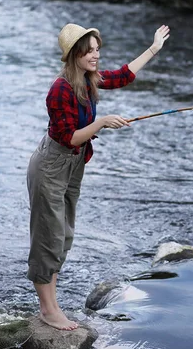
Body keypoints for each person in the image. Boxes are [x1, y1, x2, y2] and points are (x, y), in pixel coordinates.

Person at [26, 23, 170, 331]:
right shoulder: (60, 89)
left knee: (63, 236)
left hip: (73, 166)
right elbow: (69, 137)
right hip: (52, 165)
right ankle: (48, 311)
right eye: (89, 50)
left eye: (97, 49)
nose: (96, 55)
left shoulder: (90, 79)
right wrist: (102, 122)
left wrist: (153, 49)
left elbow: (122, 76)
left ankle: (52, 305)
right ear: (74, 55)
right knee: (47, 238)